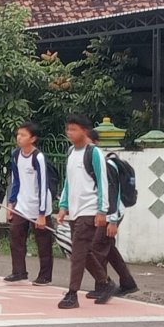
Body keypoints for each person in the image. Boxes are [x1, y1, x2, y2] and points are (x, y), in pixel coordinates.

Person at [55, 114, 119, 309]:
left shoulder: (94, 153)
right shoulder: (70, 152)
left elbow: (102, 182)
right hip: (74, 210)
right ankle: (105, 283)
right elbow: (68, 181)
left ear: (84, 131)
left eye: (74, 129)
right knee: (81, 250)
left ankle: (72, 293)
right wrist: (63, 206)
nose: (70, 133)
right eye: (68, 130)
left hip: (89, 209)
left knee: (78, 252)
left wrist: (102, 211)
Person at [85, 129, 139, 299]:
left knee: (96, 247)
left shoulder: (106, 165)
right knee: (108, 248)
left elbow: (112, 193)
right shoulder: (97, 164)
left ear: (95, 144)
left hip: (112, 212)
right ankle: (128, 283)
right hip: (109, 212)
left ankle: (102, 285)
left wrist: (113, 220)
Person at [5, 122, 54, 285]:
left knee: (43, 242)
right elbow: (16, 181)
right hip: (22, 205)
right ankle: (18, 271)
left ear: (33, 139)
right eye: (18, 134)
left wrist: (42, 214)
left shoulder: (38, 157)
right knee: (16, 235)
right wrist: (11, 203)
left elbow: (43, 184)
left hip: (39, 206)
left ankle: (45, 276)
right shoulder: (15, 155)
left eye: (23, 135)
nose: (19, 137)